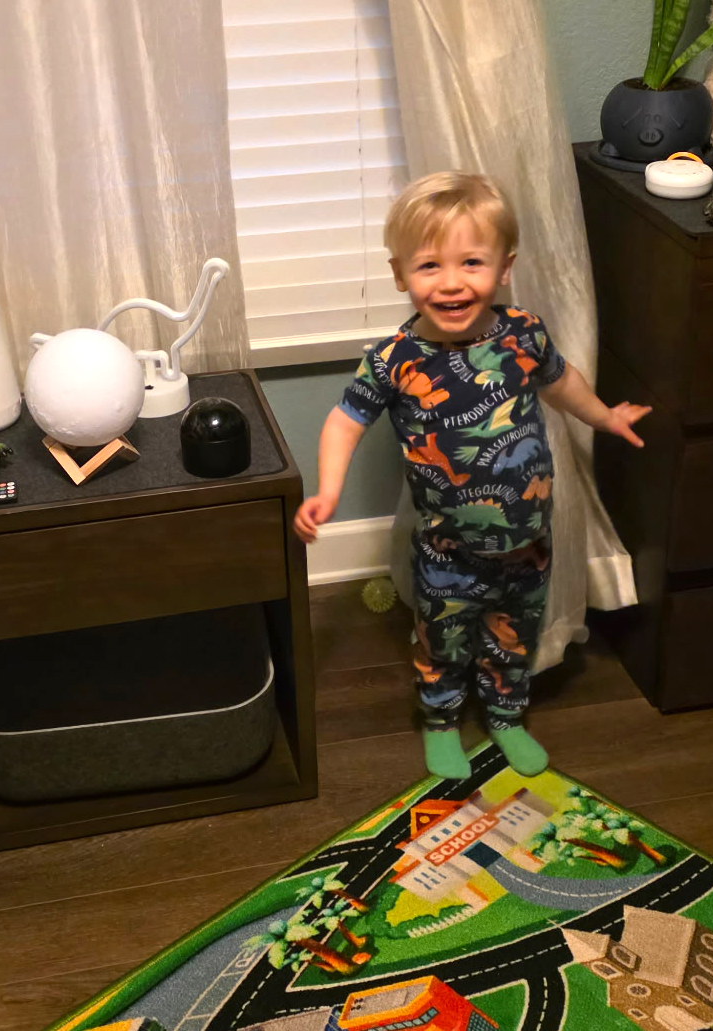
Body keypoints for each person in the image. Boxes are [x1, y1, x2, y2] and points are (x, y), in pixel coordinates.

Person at [293, 171, 650, 780]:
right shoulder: (393, 361)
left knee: (515, 637)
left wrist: (604, 416)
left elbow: (562, 384)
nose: (452, 281)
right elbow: (343, 423)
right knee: (443, 641)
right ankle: (440, 722)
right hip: (446, 551)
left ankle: (506, 716)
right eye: (429, 265)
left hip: (528, 544)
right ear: (400, 274)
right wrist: (327, 491)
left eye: (471, 262)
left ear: (504, 267)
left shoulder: (524, 334)